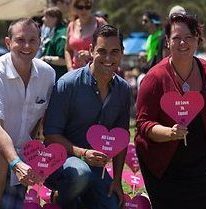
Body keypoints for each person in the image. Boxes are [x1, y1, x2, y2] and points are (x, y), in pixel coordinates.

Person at [135, 13, 206, 209]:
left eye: (189, 37)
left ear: (197, 39)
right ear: (167, 41)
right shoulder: (154, 78)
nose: (183, 43)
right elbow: (143, 124)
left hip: (204, 159)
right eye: (176, 38)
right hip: (164, 165)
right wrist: (169, 133)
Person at [43, 24, 131, 209]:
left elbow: (121, 136)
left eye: (114, 51)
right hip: (62, 161)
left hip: (96, 169)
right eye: (102, 51)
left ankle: (80, 196)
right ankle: (61, 197)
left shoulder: (123, 90)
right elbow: (50, 134)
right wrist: (82, 153)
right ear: (91, 51)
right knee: (80, 174)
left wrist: (116, 180)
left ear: (122, 52)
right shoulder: (68, 84)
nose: (108, 58)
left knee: (111, 205)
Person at [0, 18, 55, 209]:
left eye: (32, 40)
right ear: (8, 43)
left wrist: (43, 157)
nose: (26, 46)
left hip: (24, 159)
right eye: (20, 40)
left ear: (40, 42)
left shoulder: (48, 74)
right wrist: (15, 162)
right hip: (8, 158)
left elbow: (44, 121)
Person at [65, 0, 107, 70]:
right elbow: (67, 50)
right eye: (80, 7)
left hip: (98, 71)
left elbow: (110, 46)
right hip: (76, 72)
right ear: (75, 8)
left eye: (87, 7)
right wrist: (70, 68)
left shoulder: (100, 23)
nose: (84, 10)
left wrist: (91, 54)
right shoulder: (71, 25)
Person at [40, 7, 68, 81]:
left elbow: (64, 60)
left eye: (45, 16)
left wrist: (45, 59)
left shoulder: (61, 34)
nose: (43, 19)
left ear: (54, 18)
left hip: (59, 77)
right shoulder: (53, 31)